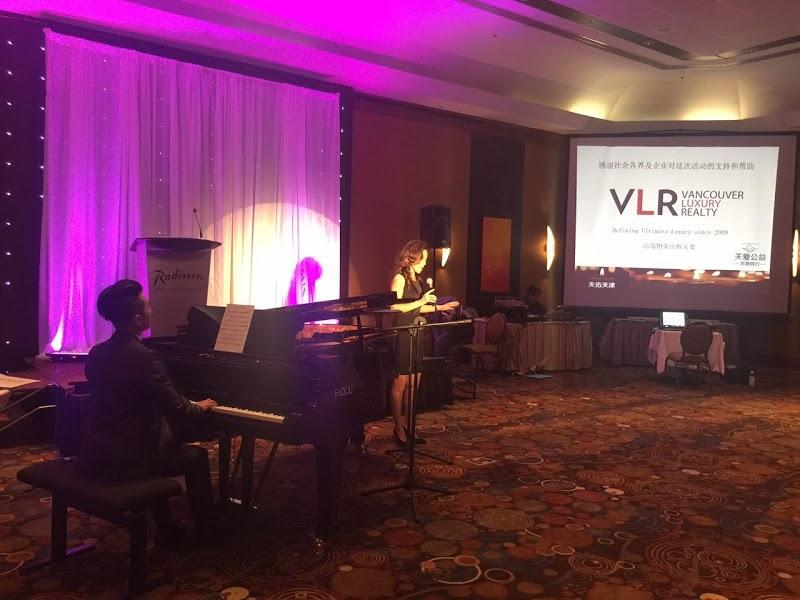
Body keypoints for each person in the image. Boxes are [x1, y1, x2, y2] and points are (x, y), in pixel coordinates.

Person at [77, 279, 218, 542]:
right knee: (196, 456)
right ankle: (206, 529)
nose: (151, 310)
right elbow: (178, 409)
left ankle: (166, 524)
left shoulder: (96, 353)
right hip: (131, 459)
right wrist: (199, 406)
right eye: (148, 307)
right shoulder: (145, 357)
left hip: (98, 449)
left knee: (157, 441)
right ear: (139, 319)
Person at [389, 240, 459, 446]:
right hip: (403, 333)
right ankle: (398, 428)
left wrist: (440, 307)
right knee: (401, 383)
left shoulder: (417, 281)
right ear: (413, 257)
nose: (426, 263)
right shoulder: (399, 278)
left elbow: (417, 309)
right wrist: (421, 301)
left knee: (414, 383)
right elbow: (395, 307)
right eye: (424, 259)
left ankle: (410, 426)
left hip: (417, 332)